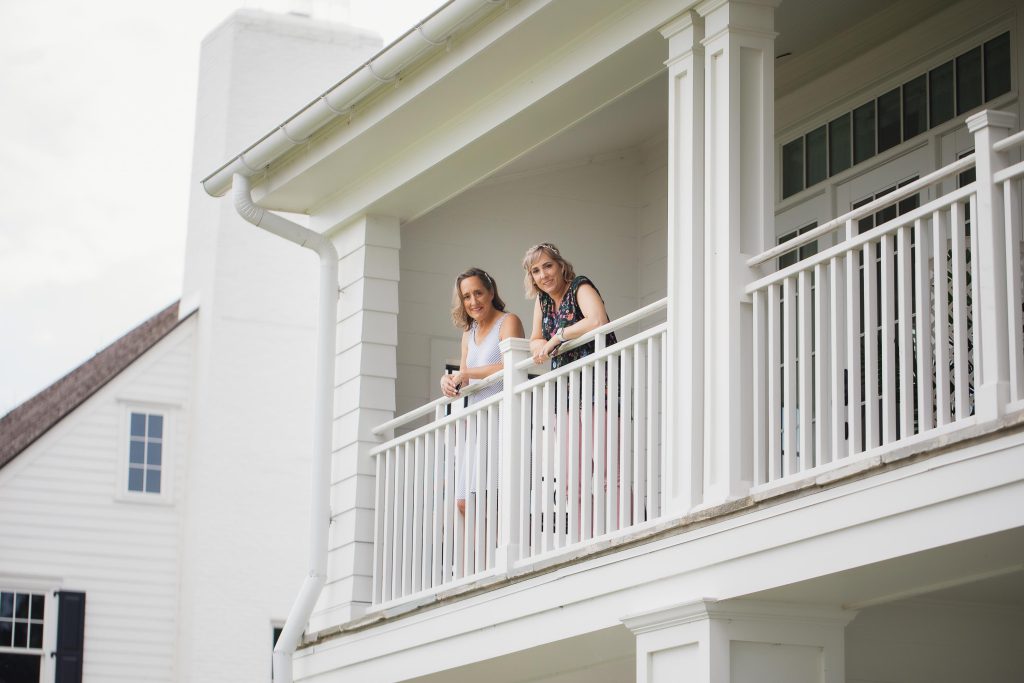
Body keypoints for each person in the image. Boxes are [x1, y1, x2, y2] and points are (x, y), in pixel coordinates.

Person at [439, 268, 524, 514]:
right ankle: (481, 552)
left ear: (491, 292)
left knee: (493, 498)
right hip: (477, 424)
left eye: (478, 293)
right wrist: (448, 380)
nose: (473, 301)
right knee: (465, 503)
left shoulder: (508, 322)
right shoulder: (469, 332)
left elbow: (512, 365)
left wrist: (466, 374)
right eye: (467, 297)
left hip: (503, 417)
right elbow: (464, 377)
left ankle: (496, 549)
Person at [522, 243, 614, 367]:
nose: (543, 275)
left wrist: (557, 338)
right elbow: (535, 338)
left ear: (561, 265)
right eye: (536, 271)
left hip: (599, 372)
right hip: (566, 379)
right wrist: (539, 346)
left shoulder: (579, 286)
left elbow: (597, 321)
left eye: (548, 266)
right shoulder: (542, 300)